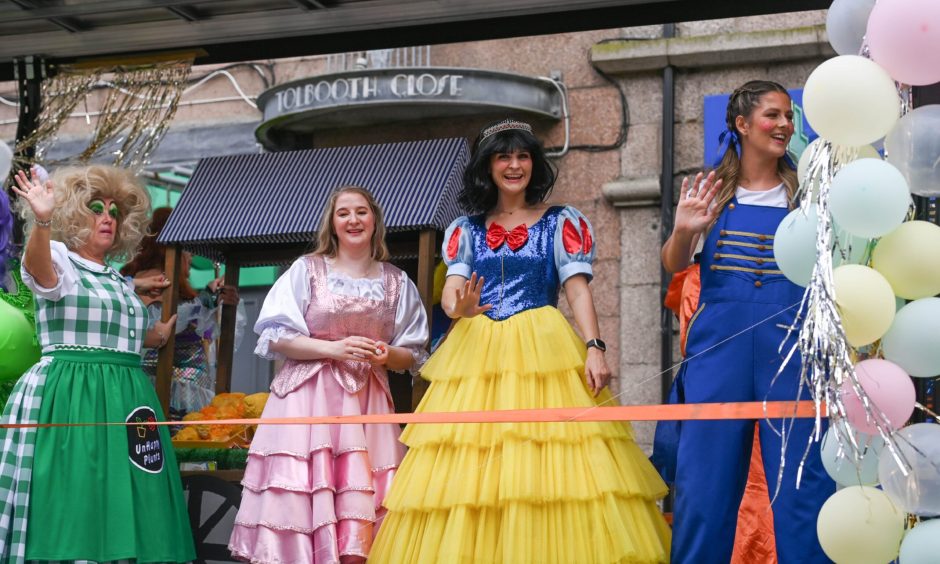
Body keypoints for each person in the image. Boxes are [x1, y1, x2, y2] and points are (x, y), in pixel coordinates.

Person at [370, 118, 671, 563]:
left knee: (555, 462)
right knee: (469, 467)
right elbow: (453, 291)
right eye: (503, 156)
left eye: (523, 155)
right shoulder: (464, 229)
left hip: (543, 347)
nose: (514, 165)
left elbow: (577, 289)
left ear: (534, 162)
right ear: (487, 167)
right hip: (478, 354)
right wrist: (461, 308)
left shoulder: (560, 221)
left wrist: (594, 347)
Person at [660, 80, 834, 563]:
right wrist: (682, 230)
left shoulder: (807, 192)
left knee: (802, 485)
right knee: (704, 485)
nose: (784, 125)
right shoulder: (710, 190)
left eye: (788, 117)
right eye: (772, 116)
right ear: (741, 124)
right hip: (719, 353)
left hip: (794, 349)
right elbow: (674, 264)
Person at [0, 164, 195, 562]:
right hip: (72, 395)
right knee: (76, 501)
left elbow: (137, 337)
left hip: (128, 399)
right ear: (73, 214)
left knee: (138, 496)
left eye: (114, 211)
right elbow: (41, 273)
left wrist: (160, 332)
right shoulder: (59, 259)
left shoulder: (118, 280)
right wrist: (42, 219)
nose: (107, 217)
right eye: (95, 207)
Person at [228, 186, 429, 563]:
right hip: (308, 398)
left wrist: (386, 354)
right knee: (303, 491)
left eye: (361, 212)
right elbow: (277, 336)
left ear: (375, 220)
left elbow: (413, 354)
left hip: (366, 402)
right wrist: (333, 349)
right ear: (332, 224)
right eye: (343, 213)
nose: (353, 220)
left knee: (362, 492)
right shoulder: (307, 269)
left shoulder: (397, 281)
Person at [121, 206, 242, 418]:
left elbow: (200, 328)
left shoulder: (169, 283)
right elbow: (163, 321)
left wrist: (213, 299)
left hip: (182, 392)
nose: (192, 255)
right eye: (188, 247)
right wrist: (207, 301)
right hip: (166, 392)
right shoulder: (153, 280)